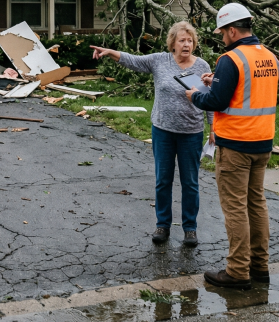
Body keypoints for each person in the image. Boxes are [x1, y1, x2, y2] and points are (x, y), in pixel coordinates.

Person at [92, 21, 214, 247]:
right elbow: (133, 61)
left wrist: (213, 129)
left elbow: (209, 100)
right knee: (163, 181)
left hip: (191, 133)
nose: (186, 45)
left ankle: (190, 229)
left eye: (190, 41)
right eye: (182, 40)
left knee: (190, 183)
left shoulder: (201, 66)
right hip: (163, 132)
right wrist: (110, 53)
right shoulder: (160, 61)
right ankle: (162, 225)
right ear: (173, 43)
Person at [186, 2, 279, 290]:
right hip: (262, 143)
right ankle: (259, 267)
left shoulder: (231, 58)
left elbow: (217, 102)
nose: (221, 38)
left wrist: (194, 95)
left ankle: (238, 271)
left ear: (231, 30)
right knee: (256, 204)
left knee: (236, 208)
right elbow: (249, 89)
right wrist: (218, 81)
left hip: (236, 145)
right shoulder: (270, 57)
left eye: (222, 32)